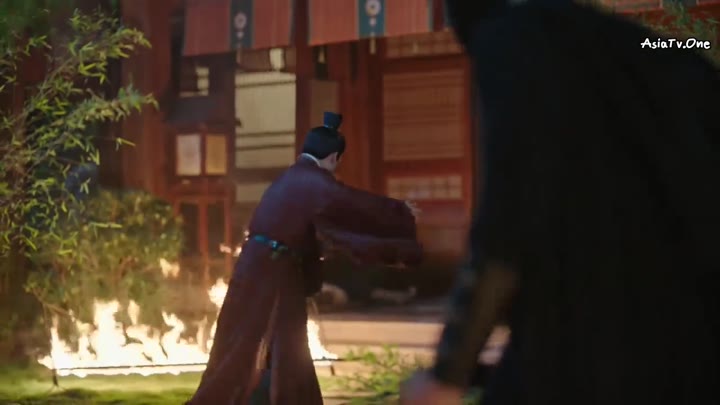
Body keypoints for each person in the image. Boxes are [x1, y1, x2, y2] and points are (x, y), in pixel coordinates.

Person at [401, 0, 720, 404]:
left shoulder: (512, 38)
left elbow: (510, 213)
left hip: (590, 348)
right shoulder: (641, 47)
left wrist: (450, 370)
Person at [187, 112, 423, 405]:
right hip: (274, 271)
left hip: (257, 266)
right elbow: (355, 206)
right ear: (333, 157)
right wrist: (401, 213)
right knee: (284, 343)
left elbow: (324, 228)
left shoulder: (292, 178)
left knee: (244, 339)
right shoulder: (315, 182)